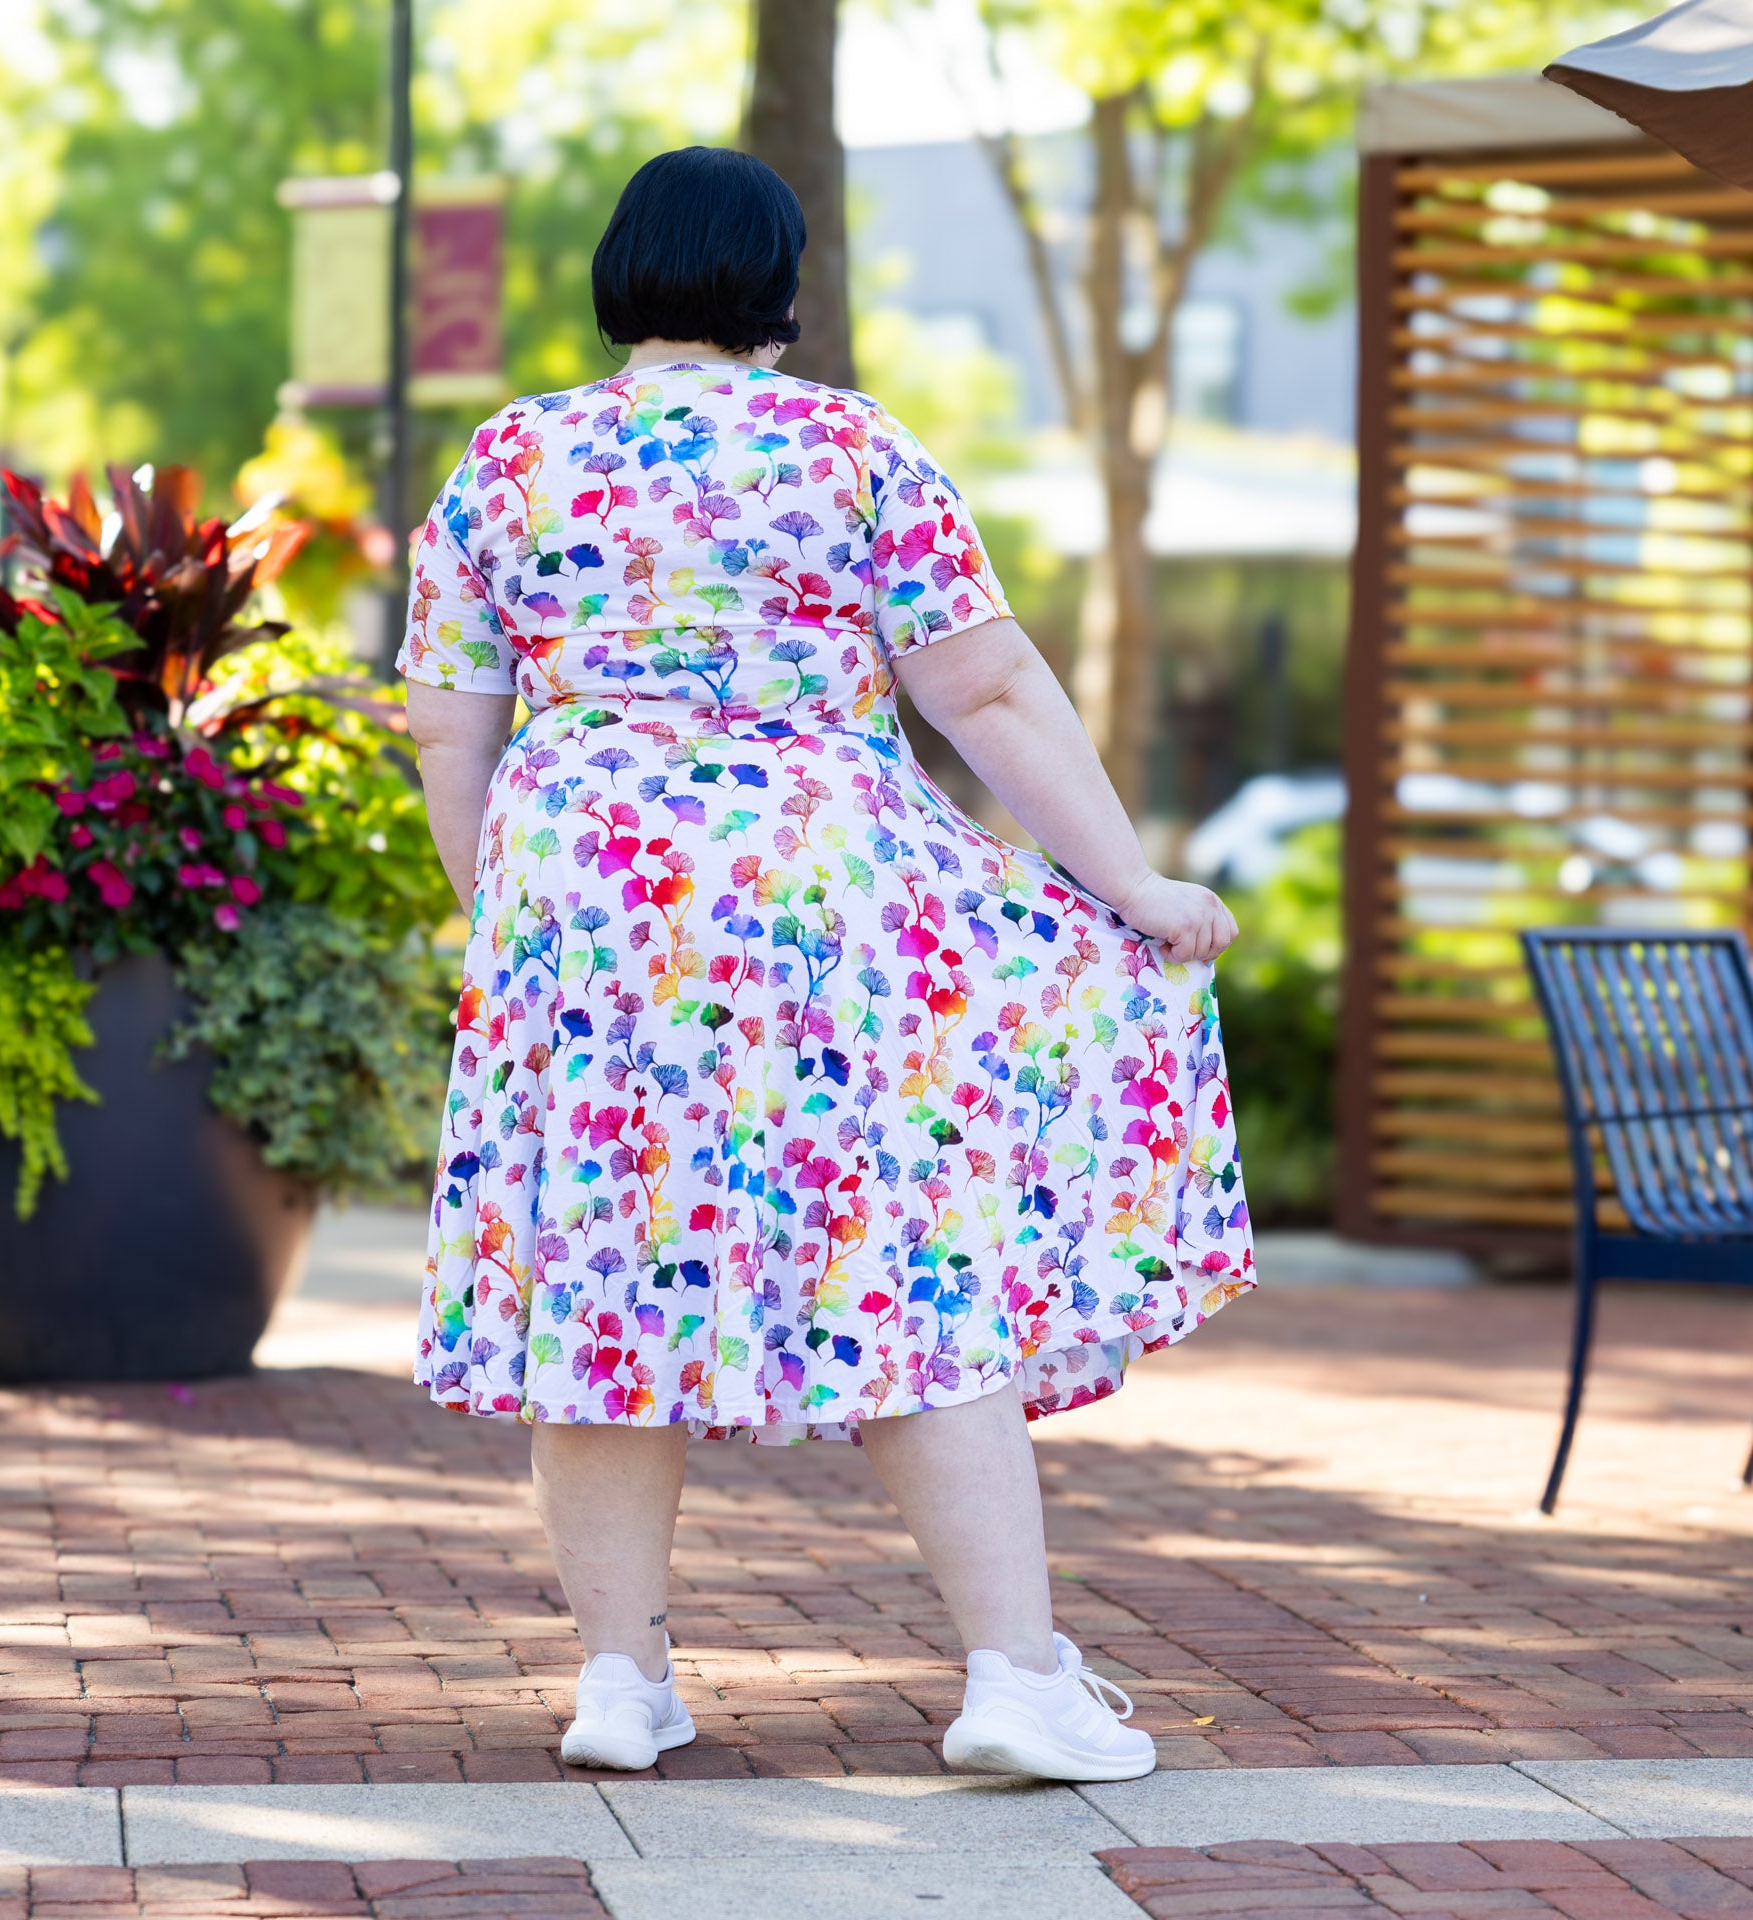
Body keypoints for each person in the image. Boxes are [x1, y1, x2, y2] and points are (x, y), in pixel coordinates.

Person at [399, 146, 1254, 1784]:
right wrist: (1130, 882)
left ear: (623, 274)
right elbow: (985, 694)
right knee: (909, 1261)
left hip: (589, 893)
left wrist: (502, 914)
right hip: (824, 895)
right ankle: (1012, 1676)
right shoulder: (847, 444)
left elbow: (451, 721)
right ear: (777, 287)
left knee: (602, 1269)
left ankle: (619, 1682)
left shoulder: (510, 459)